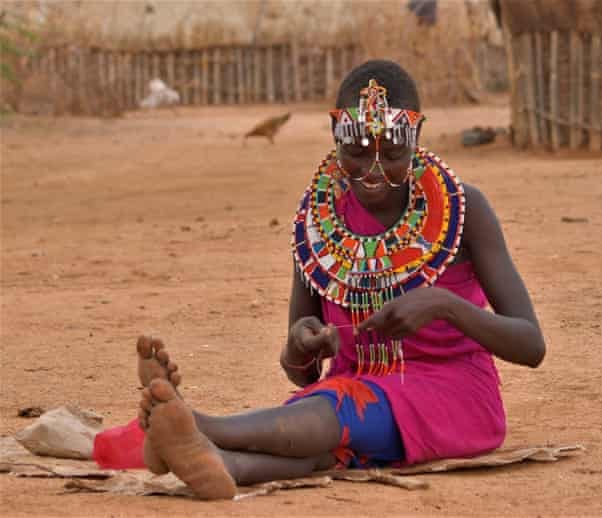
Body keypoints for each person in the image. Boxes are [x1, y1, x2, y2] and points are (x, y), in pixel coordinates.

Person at [137, 59, 546, 500]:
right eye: (355, 153)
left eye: (391, 155)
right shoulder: (319, 221)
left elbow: (530, 345)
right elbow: (302, 372)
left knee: (341, 410)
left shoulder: (464, 210)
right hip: (340, 398)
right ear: (336, 138)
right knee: (323, 431)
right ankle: (217, 462)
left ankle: (195, 424)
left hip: (453, 396)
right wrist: (303, 342)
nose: (373, 171)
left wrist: (443, 305)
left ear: (416, 140)